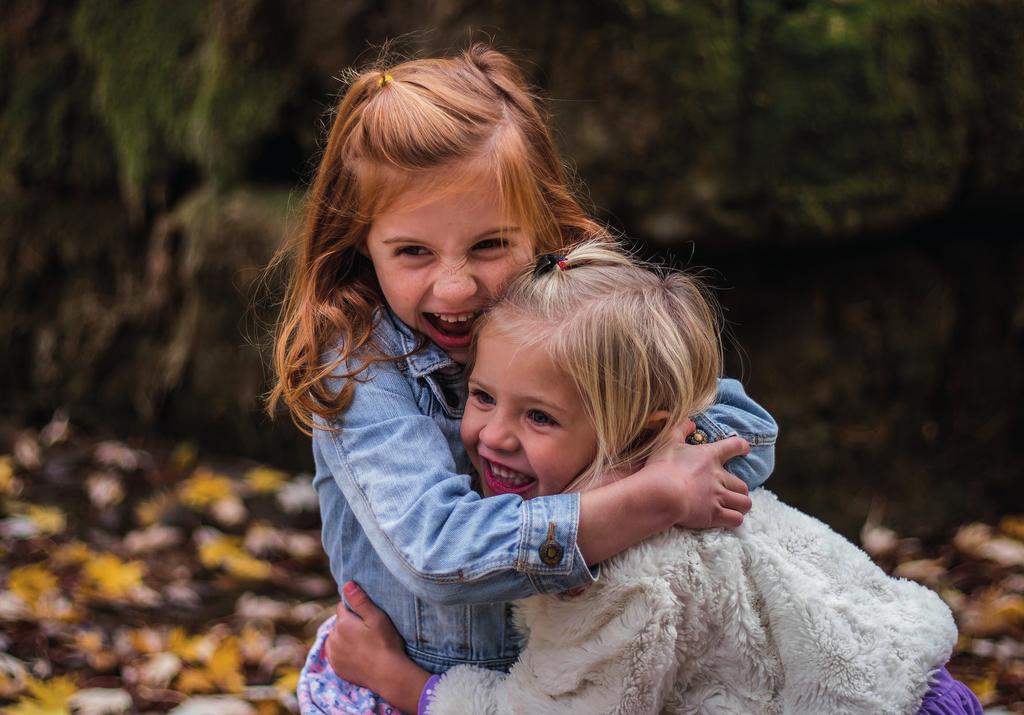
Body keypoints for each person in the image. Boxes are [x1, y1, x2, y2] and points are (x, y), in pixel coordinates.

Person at [267, 46, 778, 713]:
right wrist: (643, 499)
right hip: (417, 683)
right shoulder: (361, 366)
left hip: (569, 681)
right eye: (413, 252)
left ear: (542, 227)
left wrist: (635, 455)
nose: (456, 286)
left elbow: (748, 434)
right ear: (362, 241)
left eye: (489, 246)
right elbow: (439, 551)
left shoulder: (574, 317)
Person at [329, 241, 982, 715]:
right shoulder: (690, 468)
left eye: (538, 416)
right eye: (480, 396)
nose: (495, 435)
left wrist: (402, 682)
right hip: (904, 673)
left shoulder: (620, 570)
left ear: (644, 429)